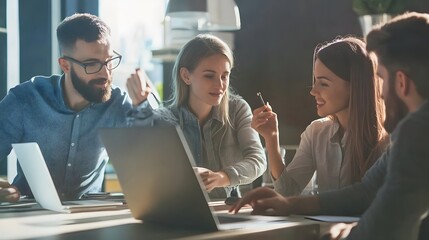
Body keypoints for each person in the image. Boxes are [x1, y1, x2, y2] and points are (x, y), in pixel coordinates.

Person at [231, 12, 429, 240]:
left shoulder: (416, 131)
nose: (381, 92)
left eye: (382, 78)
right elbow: (364, 193)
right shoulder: (411, 134)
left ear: (402, 82)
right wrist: (288, 204)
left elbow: (388, 225)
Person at [0, 13, 149, 202]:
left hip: (88, 215)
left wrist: (143, 106)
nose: (105, 73)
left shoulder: (117, 103)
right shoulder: (25, 99)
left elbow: (152, 163)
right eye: (91, 64)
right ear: (65, 65)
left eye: (109, 61)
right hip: (29, 210)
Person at [128, 34, 266, 199]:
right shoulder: (165, 119)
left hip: (231, 211)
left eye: (225, 76)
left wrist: (220, 177)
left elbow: (258, 160)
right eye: (209, 75)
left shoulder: (238, 110)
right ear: (186, 76)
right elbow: (143, 170)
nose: (220, 85)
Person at [252, 37, 387, 196]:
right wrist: (271, 138)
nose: (313, 91)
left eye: (323, 83)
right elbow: (287, 192)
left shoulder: (387, 141)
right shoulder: (316, 132)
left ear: (354, 86)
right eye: (315, 81)